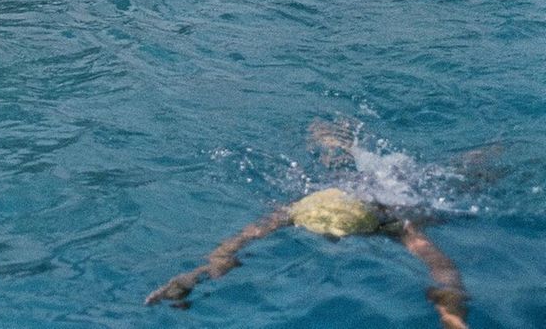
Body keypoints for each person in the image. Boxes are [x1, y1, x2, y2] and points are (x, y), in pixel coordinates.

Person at [146, 120, 470, 328]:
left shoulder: (300, 210)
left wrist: (194, 277)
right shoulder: (392, 220)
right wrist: (451, 310)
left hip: (355, 200)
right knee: (455, 182)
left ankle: (337, 138)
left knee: (441, 182)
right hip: (366, 202)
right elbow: (442, 269)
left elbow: (231, 249)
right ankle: (340, 138)